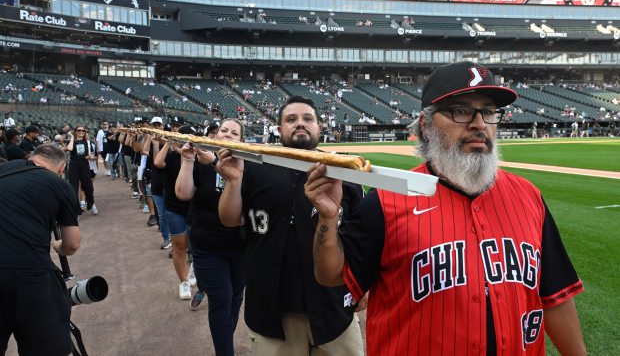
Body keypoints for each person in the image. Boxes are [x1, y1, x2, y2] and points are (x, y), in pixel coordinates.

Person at [305, 61, 587, 356]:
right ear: (426, 125)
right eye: (462, 111)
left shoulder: (529, 196)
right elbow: (331, 274)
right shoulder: (387, 199)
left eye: (489, 112)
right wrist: (328, 217)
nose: (479, 124)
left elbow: (556, 296)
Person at [218, 96, 365, 356]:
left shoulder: (344, 173)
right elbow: (229, 220)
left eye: (308, 119)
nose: (300, 124)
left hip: (333, 308)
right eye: (291, 119)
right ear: (279, 129)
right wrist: (233, 181)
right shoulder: (253, 167)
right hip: (272, 309)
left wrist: (363, 284)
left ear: (320, 128)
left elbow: (359, 239)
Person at [0, 144, 81, 355]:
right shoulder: (59, 184)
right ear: (61, 168)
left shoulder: (5, 169)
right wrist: (58, 246)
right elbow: (72, 244)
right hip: (31, 275)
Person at [176, 119, 246, 356]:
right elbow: (183, 193)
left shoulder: (248, 165)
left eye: (234, 133)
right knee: (221, 299)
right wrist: (187, 160)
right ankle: (225, 352)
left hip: (240, 245)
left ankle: (225, 341)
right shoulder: (201, 161)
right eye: (224, 131)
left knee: (236, 298)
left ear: (241, 140)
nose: (227, 135)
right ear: (215, 136)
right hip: (208, 245)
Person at [154, 125, 195, 300]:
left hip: (195, 208)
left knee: (197, 245)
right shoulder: (171, 157)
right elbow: (157, 162)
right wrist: (169, 142)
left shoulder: (198, 157)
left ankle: (193, 270)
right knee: (179, 246)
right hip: (174, 207)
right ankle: (183, 281)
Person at [66, 125, 98, 215]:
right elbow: (69, 149)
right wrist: (72, 137)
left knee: (88, 187)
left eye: (83, 130)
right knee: (73, 187)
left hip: (84, 165)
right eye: (79, 130)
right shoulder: (72, 141)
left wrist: (90, 157)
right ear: (75, 131)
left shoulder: (87, 142)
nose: (81, 132)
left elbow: (93, 155)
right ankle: (75, 209)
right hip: (74, 165)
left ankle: (92, 205)